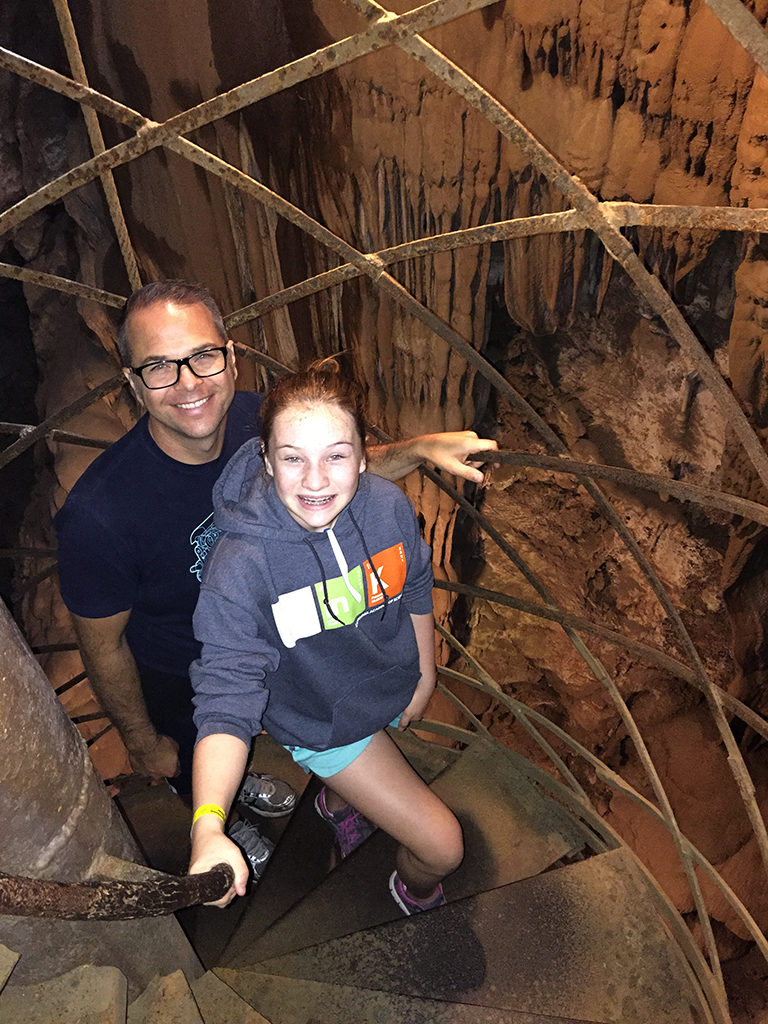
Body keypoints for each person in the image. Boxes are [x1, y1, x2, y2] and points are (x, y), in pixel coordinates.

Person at [54, 281, 495, 870]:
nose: (189, 384)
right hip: (183, 670)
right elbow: (102, 644)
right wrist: (142, 740)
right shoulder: (99, 515)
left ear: (231, 358)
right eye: (159, 366)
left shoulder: (255, 419)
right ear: (133, 382)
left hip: (296, 651)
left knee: (275, 736)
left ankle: (291, 787)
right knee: (197, 754)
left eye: (203, 356)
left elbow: (332, 473)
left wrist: (419, 448)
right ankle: (229, 820)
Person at [188, 359, 464, 914]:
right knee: (442, 845)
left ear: (364, 454)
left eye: (336, 456)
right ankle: (413, 891)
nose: (315, 482)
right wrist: (207, 826)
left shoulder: (385, 507)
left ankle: (338, 806)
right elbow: (226, 698)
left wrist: (424, 670)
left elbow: (412, 581)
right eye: (293, 459)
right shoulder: (241, 566)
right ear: (266, 460)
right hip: (319, 720)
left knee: (389, 772)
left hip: (383, 685)